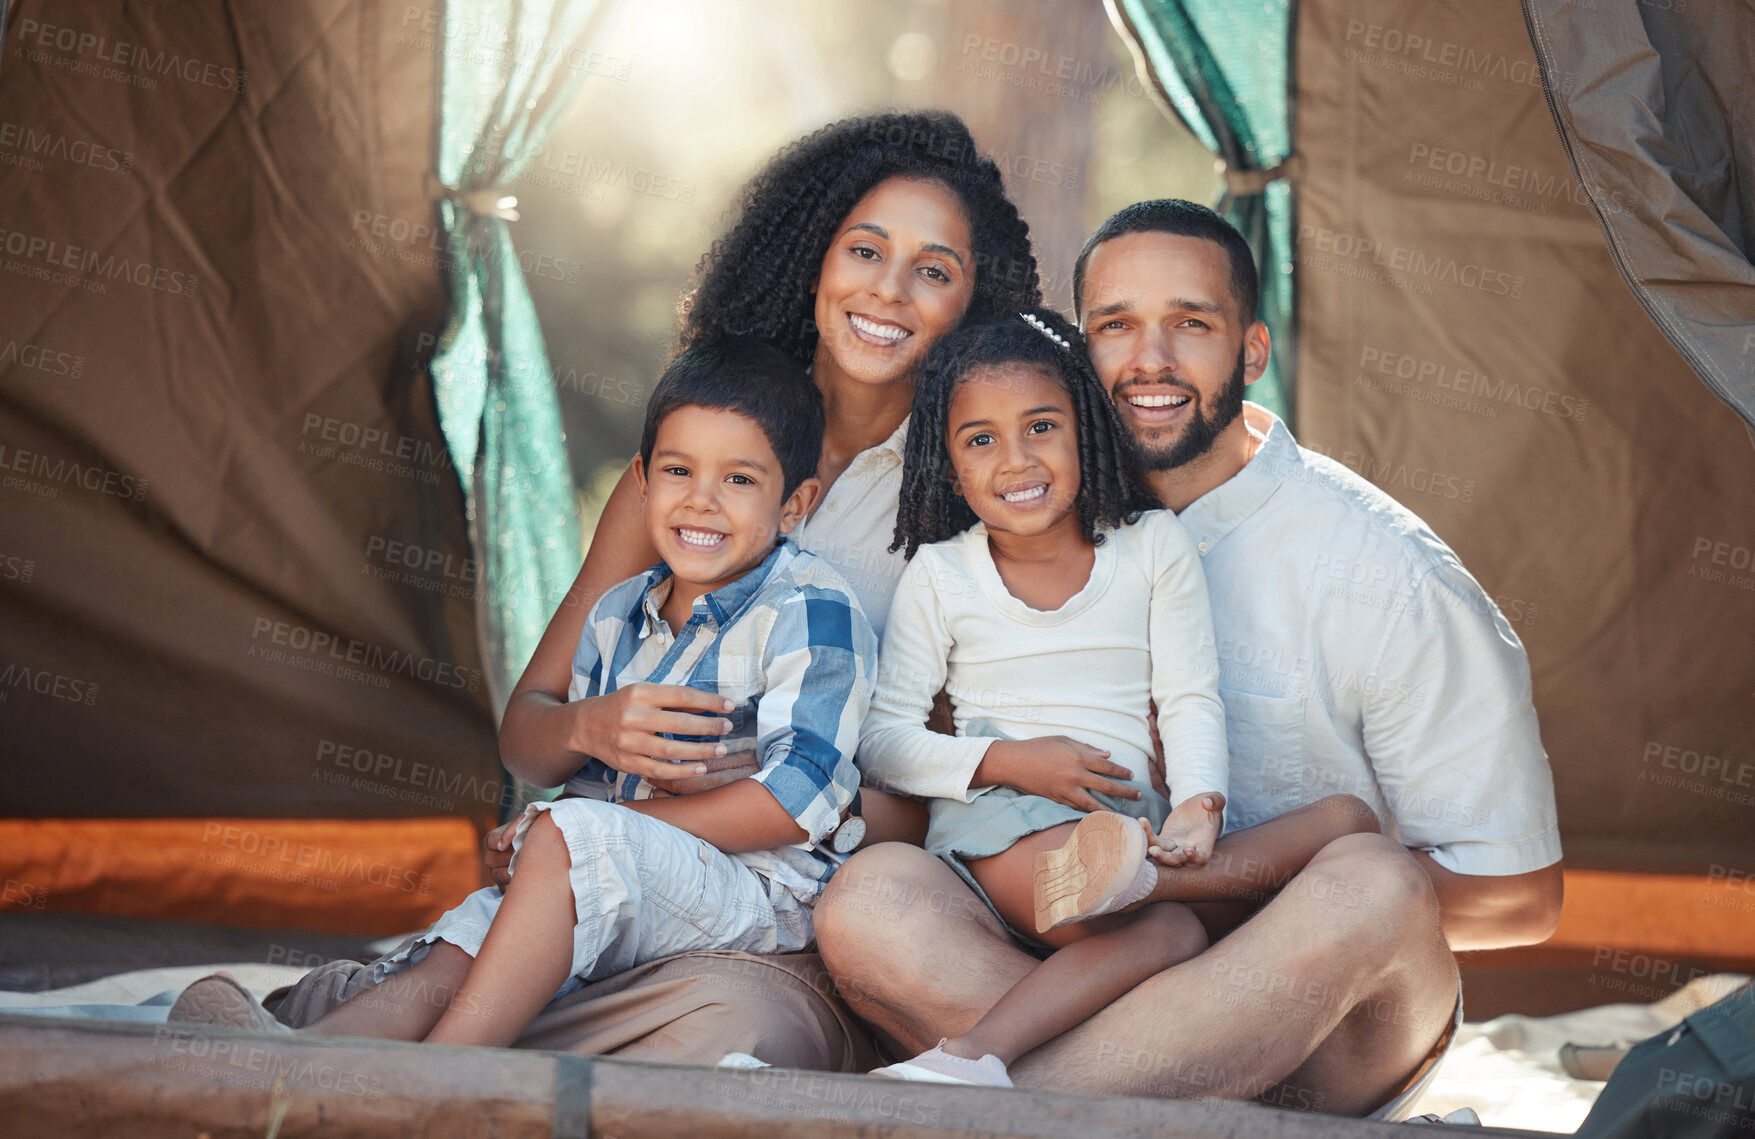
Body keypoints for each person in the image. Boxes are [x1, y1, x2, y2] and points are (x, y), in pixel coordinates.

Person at [254, 110, 1043, 1066]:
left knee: (740, 1026)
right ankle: (339, 1058)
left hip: (800, 891)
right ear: (809, 258)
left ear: (973, 302)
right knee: (494, 943)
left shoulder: (970, 499)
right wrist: (592, 733)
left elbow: (940, 796)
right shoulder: (690, 461)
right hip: (611, 855)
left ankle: (394, 1048)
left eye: (933, 269)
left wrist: (692, 807)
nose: (888, 290)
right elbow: (531, 727)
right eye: (863, 250)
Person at [813, 200, 1564, 1119]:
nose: (1149, 361)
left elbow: (1519, 897)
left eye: (1190, 326)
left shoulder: (1387, 575)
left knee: (1368, 880)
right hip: (1070, 966)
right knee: (872, 895)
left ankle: (939, 1111)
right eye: (1115, 327)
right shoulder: (1001, 529)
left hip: (1317, 1024)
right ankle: (1111, 1102)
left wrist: (1224, 907)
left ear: (1251, 352)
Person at [173, 340, 877, 1044]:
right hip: (632, 874)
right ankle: (298, 1063)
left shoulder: (807, 607)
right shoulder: (618, 613)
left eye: (740, 480)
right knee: (468, 938)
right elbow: (582, 786)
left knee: (570, 843)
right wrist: (546, 833)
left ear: (795, 504)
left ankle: (440, 1077)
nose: (701, 499)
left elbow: (796, 801)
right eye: (677, 470)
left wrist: (570, 837)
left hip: (755, 891)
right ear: (641, 480)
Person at [854, 308, 1380, 1086]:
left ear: (1086, 429)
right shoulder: (943, 574)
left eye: (1041, 426)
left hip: (1134, 822)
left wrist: (1199, 803)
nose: (1015, 459)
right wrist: (1013, 761)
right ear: (950, 466)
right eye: (980, 440)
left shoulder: (1150, 545)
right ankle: (974, 1049)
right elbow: (883, 740)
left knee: (1338, 827)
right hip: (1006, 825)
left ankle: (1115, 901)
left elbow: (1188, 695)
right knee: (1130, 904)